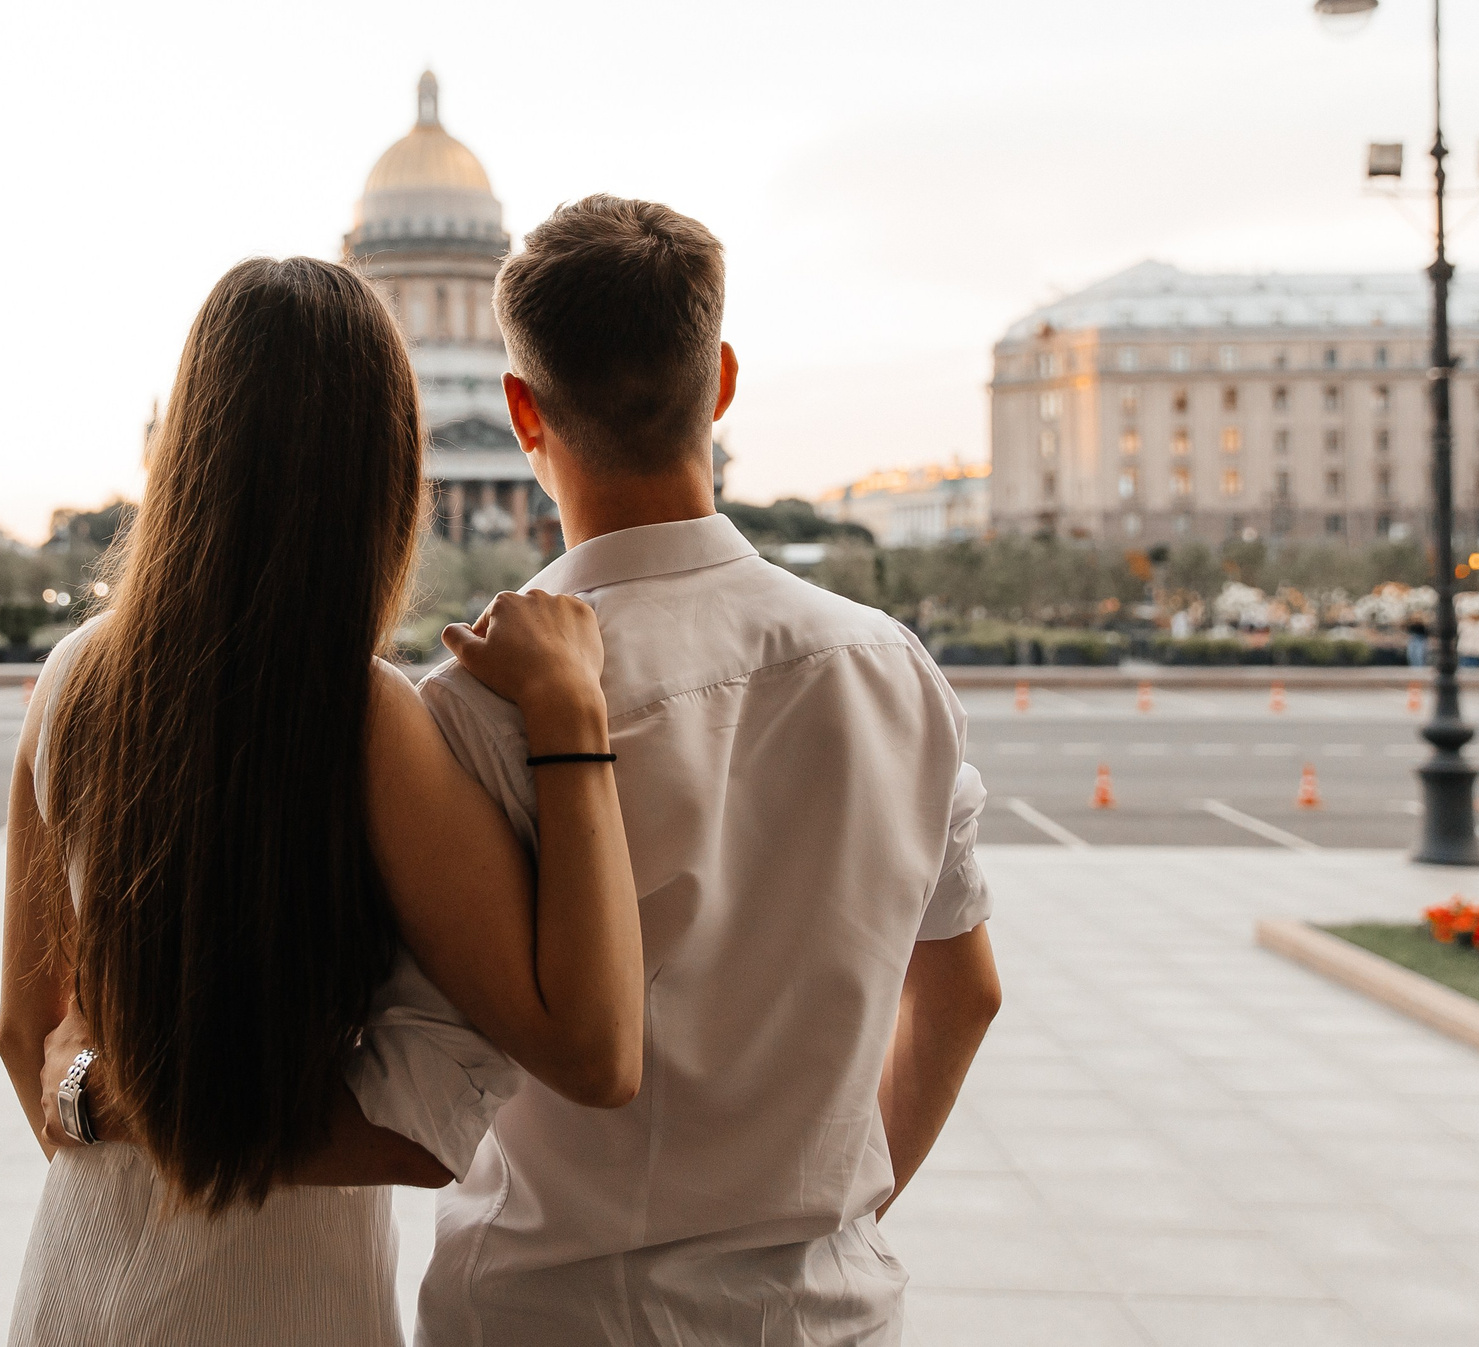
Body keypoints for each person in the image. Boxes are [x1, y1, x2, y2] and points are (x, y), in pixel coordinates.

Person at [343, 196, 1001, 1344]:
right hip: (823, 1313)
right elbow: (965, 993)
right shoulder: (890, 668)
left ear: (518, 412)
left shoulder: (469, 710)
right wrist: (833, 1216)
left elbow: (419, 1090)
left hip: (554, 1312)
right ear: (721, 383)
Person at [0, 255, 645, 1346]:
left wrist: (115, 1110)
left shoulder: (73, 675)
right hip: (273, 1300)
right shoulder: (362, 715)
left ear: (191, 445)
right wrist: (571, 720)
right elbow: (591, 1051)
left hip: (71, 1276)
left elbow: (28, 1032)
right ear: (382, 468)